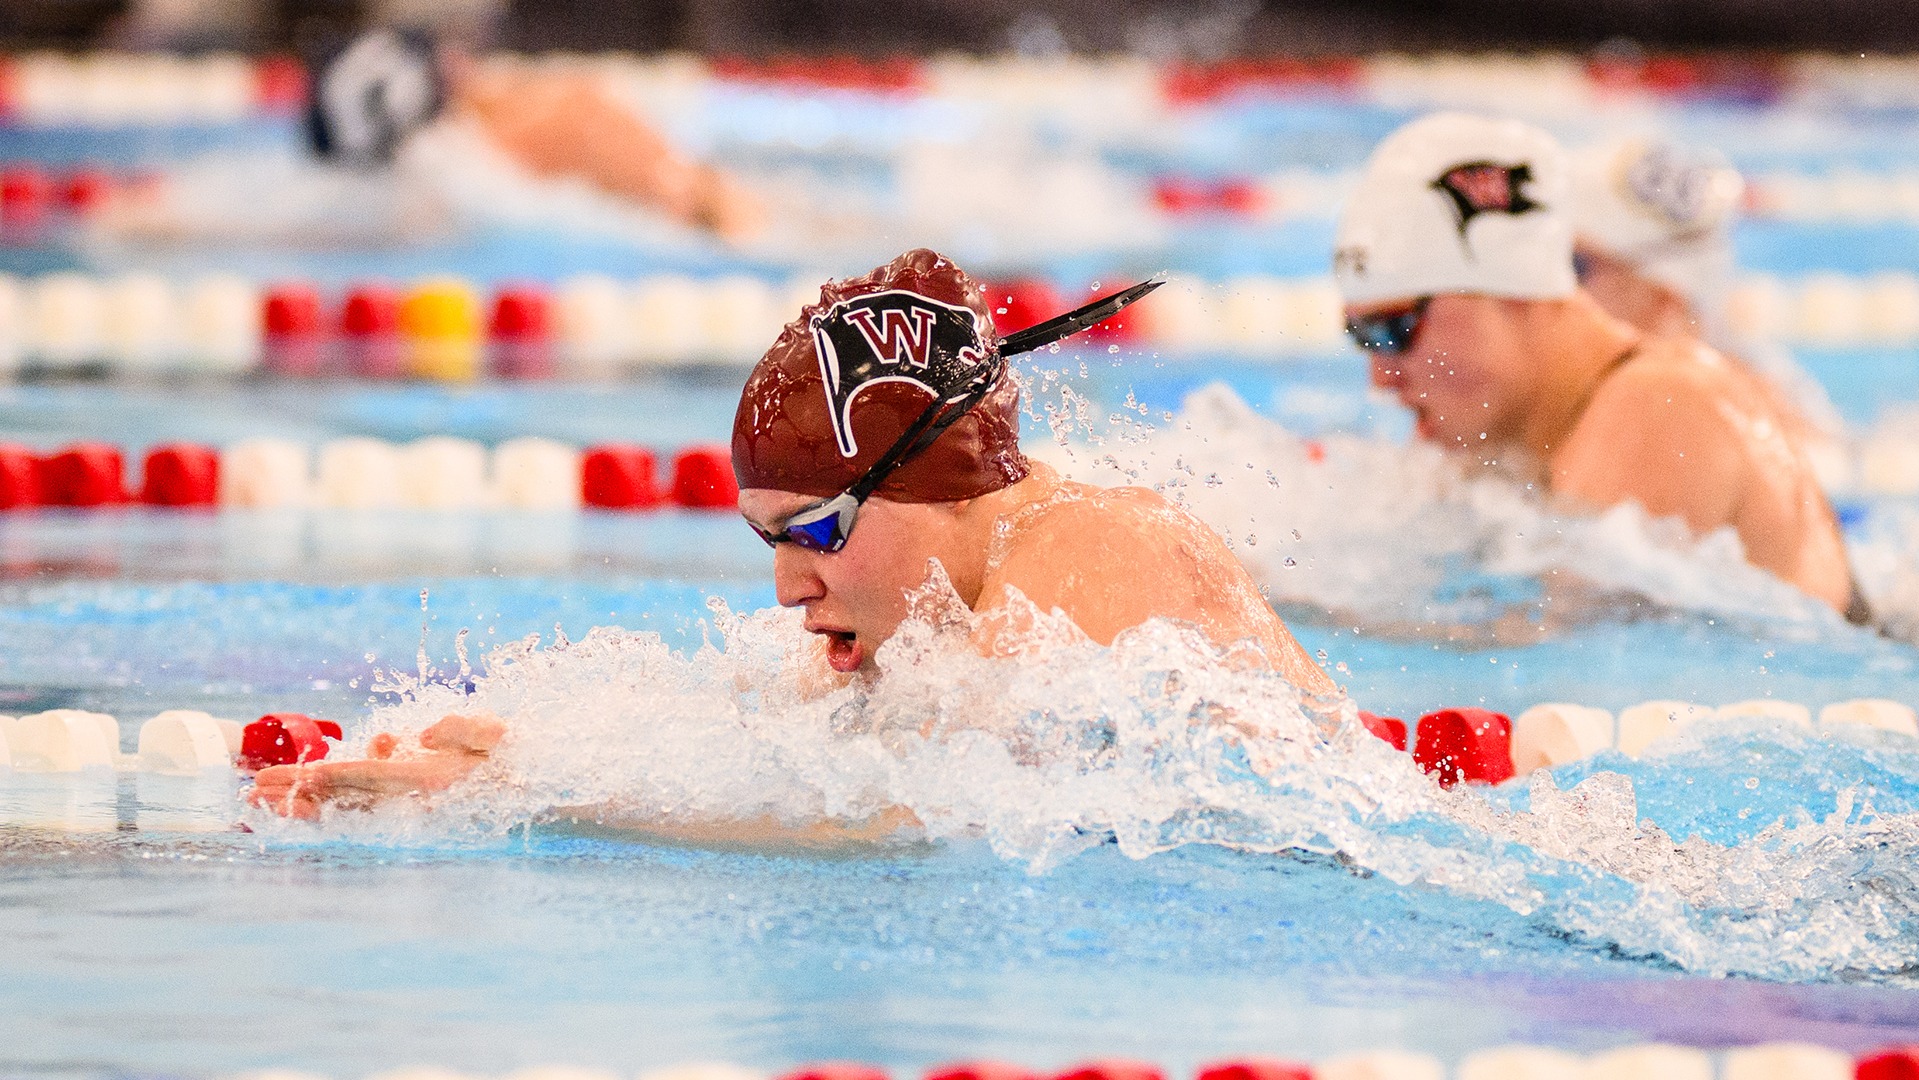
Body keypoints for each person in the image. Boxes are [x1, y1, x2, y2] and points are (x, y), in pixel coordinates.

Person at [253, 248, 1336, 822]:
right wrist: (517, 753)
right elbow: (751, 748)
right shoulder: (926, 620)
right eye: (767, 539)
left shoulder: (1096, 550)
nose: (786, 588)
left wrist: (556, 806)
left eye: (815, 530)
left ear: (937, 480)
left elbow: (915, 815)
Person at [1333, 113, 1857, 618]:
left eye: (1395, 330)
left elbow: (1564, 655)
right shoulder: (1513, 445)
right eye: (1361, 338)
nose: (1381, 378)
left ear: (1513, 290)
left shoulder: (1659, 402)